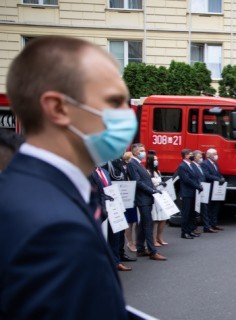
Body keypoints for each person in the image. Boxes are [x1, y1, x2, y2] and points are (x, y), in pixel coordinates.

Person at [0, 35, 131, 318]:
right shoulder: (56, 229)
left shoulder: (23, 188)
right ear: (59, 108)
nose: (127, 114)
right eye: (115, 101)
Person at [128, 143, 166, 261]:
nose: (144, 152)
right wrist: (152, 191)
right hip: (142, 198)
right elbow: (138, 182)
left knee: (144, 224)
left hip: (147, 197)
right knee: (147, 224)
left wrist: (153, 189)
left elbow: (145, 180)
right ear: (134, 152)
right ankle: (152, 251)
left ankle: (140, 248)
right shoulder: (132, 164)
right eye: (141, 150)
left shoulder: (138, 163)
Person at [90, 165, 131, 271]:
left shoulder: (105, 171)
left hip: (112, 208)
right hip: (100, 209)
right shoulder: (90, 171)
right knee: (102, 236)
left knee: (115, 234)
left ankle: (115, 261)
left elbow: (110, 187)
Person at [106, 155, 137, 262]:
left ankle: (120, 253)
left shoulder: (120, 162)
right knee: (115, 231)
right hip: (112, 200)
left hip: (122, 198)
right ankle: (114, 257)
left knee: (121, 228)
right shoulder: (108, 163)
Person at [177, 149, 202, 239]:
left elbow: (195, 177)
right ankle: (184, 232)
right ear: (186, 155)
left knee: (192, 213)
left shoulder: (190, 165)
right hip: (187, 193)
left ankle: (190, 230)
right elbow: (186, 180)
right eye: (190, 154)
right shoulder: (182, 166)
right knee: (186, 213)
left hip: (192, 192)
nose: (192, 155)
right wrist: (197, 186)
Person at [146, 153, 169, 246]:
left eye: (157, 159)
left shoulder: (157, 172)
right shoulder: (147, 172)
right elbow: (149, 184)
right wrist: (157, 185)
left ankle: (159, 237)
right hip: (153, 197)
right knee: (154, 220)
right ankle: (153, 239)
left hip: (161, 196)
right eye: (154, 160)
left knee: (164, 218)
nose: (156, 161)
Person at [202, 148, 225, 231]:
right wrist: (218, 179)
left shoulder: (215, 164)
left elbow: (218, 173)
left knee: (215, 207)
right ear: (208, 155)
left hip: (216, 189)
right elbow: (207, 175)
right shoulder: (204, 164)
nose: (216, 155)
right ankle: (208, 226)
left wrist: (221, 178)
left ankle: (214, 223)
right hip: (209, 188)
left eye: (216, 153)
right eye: (214, 154)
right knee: (209, 207)